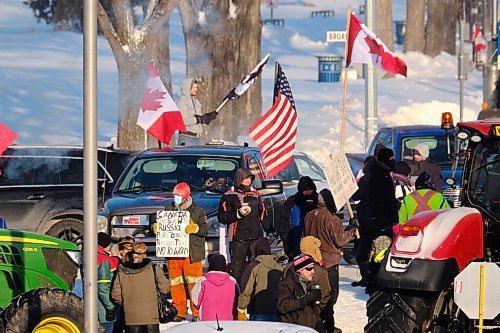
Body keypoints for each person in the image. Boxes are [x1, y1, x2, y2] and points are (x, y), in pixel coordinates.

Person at [304, 190, 357, 333]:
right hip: (329, 263)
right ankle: (327, 326)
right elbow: (340, 240)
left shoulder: (309, 215)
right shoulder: (332, 219)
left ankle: (317, 323)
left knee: (315, 294)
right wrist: (351, 230)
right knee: (330, 297)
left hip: (312, 261)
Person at [351, 148, 399, 289]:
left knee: (369, 251)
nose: (393, 161)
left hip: (372, 220)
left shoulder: (378, 176)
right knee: (375, 252)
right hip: (376, 221)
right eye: (391, 159)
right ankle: (371, 279)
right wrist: (393, 217)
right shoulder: (376, 178)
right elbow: (356, 196)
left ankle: (369, 278)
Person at [165, 182, 209, 322]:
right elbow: (162, 224)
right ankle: (179, 312)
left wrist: (195, 228)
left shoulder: (198, 211)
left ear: (185, 196)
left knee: (194, 284)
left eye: (178, 196)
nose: (175, 198)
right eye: (174, 196)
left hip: (191, 253)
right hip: (173, 253)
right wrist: (158, 228)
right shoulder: (168, 209)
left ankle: (196, 313)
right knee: (175, 283)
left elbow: (205, 229)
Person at [218, 168, 269, 283]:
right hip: (238, 238)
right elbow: (222, 217)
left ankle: (255, 296)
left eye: (250, 179)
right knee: (237, 271)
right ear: (239, 179)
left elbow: (262, 215)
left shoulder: (256, 195)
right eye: (245, 178)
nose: (247, 181)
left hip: (256, 237)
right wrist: (238, 214)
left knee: (257, 269)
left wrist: (269, 229)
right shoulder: (228, 196)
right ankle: (237, 295)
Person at [111, 242, 170, 333]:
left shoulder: (122, 270)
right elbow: (165, 288)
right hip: (151, 317)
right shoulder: (154, 268)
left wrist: (125, 303)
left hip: (130, 316)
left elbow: (116, 295)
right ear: (145, 254)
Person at [237, 237, 283, 321]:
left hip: (258, 310)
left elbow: (246, 290)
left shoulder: (253, 267)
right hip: (276, 311)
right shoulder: (280, 268)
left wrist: (241, 308)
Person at [277, 254, 324, 333]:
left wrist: (318, 322)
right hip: (294, 328)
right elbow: (283, 306)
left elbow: (314, 308)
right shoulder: (286, 284)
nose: (313, 271)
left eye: (313, 268)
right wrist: (307, 298)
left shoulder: (310, 283)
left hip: (309, 329)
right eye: (309, 269)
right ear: (300, 270)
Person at [279, 176, 318, 259]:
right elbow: (285, 221)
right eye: (305, 190)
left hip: (315, 244)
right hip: (296, 242)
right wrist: (285, 240)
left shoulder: (318, 201)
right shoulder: (292, 201)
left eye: (310, 190)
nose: (308, 193)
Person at [192, 253, 239, 321]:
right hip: (229, 321)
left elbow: (195, 300)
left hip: (206, 321)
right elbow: (238, 299)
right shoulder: (232, 281)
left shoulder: (203, 280)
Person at [176, 78, 218, 143]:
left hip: (197, 138)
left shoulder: (195, 101)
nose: (196, 89)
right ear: (187, 88)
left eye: (196, 87)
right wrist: (199, 119)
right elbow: (182, 121)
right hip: (186, 138)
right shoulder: (182, 102)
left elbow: (199, 119)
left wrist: (208, 116)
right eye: (194, 87)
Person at [97, 232, 118, 333]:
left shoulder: (88, 256)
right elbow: (103, 288)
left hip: (91, 306)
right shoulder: (104, 260)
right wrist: (111, 307)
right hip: (103, 310)